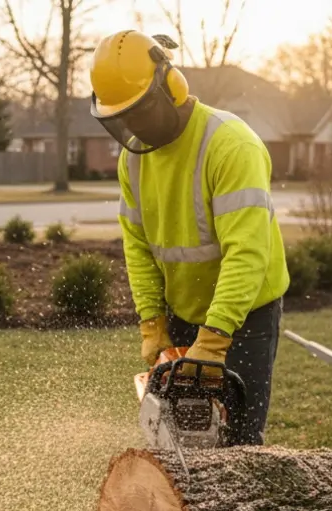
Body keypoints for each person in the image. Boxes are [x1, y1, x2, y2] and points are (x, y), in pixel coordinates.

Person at [89, 30, 289, 446]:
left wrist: (214, 341)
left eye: (139, 111)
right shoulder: (134, 161)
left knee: (238, 440)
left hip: (245, 314)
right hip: (182, 311)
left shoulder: (231, 146)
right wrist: (152, 323)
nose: (131, 125)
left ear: (172, 86)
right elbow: (138, 246)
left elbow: (246, 254)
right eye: (121, 116)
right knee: (183, 437)